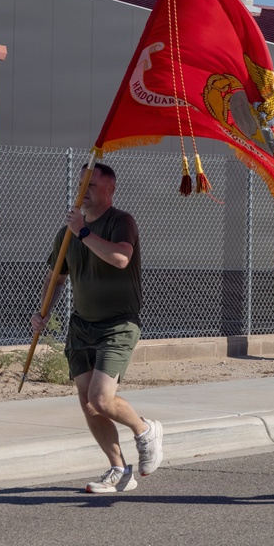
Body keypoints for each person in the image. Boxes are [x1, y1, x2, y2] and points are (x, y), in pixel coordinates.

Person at [31, 162, 163, 494]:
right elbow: (56, 277)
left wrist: (84, 232)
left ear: (109, 190)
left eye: (91, 184)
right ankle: (119, 470)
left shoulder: (121, 222)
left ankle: (145, 430)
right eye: (81, 183)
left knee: (101, 398)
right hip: (81, 325)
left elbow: (120, 258)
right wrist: (42, 310)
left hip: (118, 324)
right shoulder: (67, 233)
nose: (83, 190)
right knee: (88, 402)